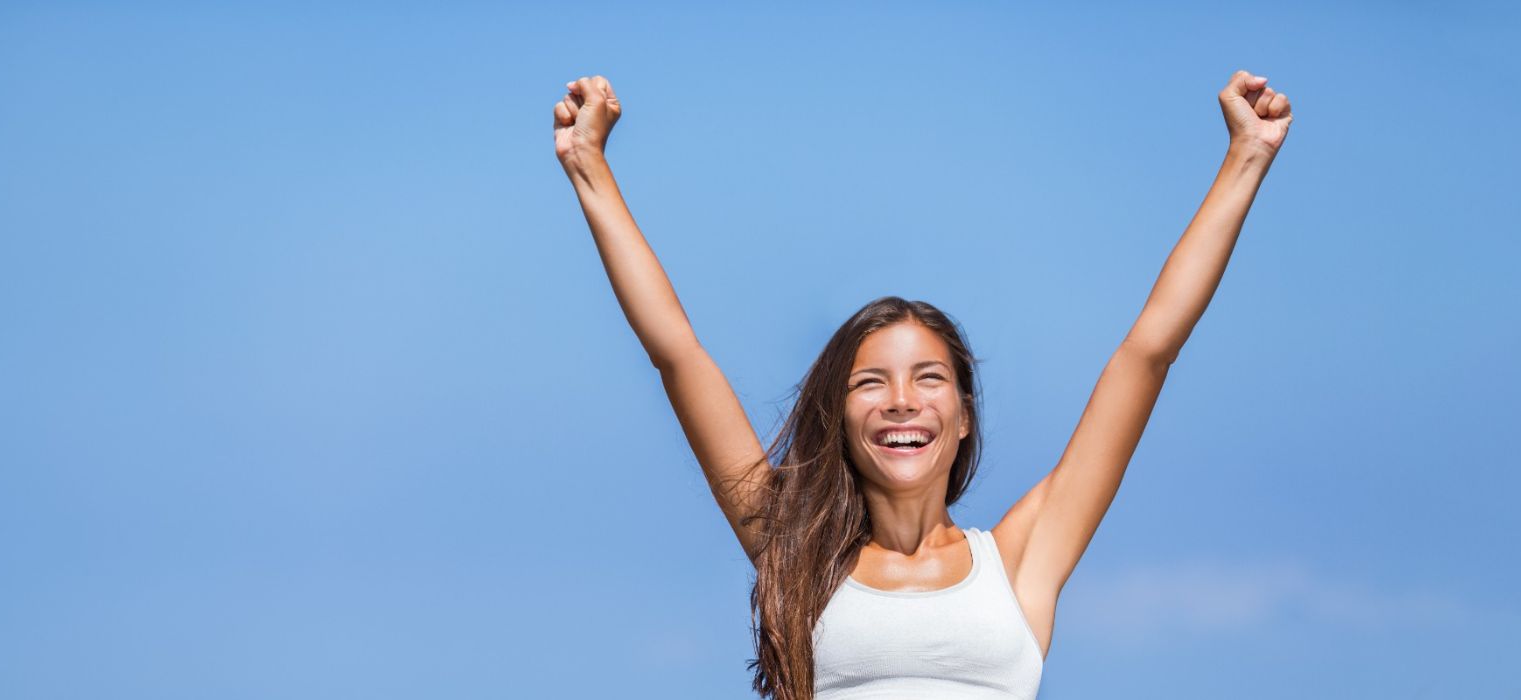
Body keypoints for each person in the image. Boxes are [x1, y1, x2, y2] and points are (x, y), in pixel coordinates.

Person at [552, 71, 1294, 700]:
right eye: (870, 382)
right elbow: (678, 354)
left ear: (964, 417)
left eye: (928, 378)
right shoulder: (791, 549)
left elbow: (1146, 354)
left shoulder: (1022, 560)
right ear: (838, 418)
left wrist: (1246, 159)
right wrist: (590, 168)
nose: (902, 400)